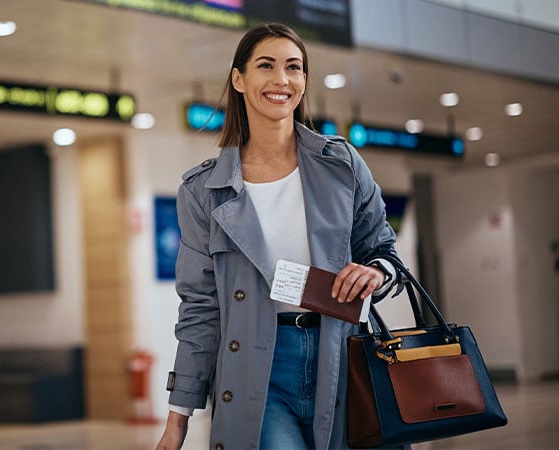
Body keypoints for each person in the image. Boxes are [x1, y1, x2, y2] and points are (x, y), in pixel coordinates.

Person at [156, 23, 398, 450]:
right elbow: (199, 309)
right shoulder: (202, 192)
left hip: (345, 355)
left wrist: (375, 272)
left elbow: (383, 250)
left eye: (294, 67)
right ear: (238, 79)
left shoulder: (341, 165)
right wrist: (178, 420)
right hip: (257, 370)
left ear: (304, 79)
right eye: (265, 65)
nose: (281, 80)